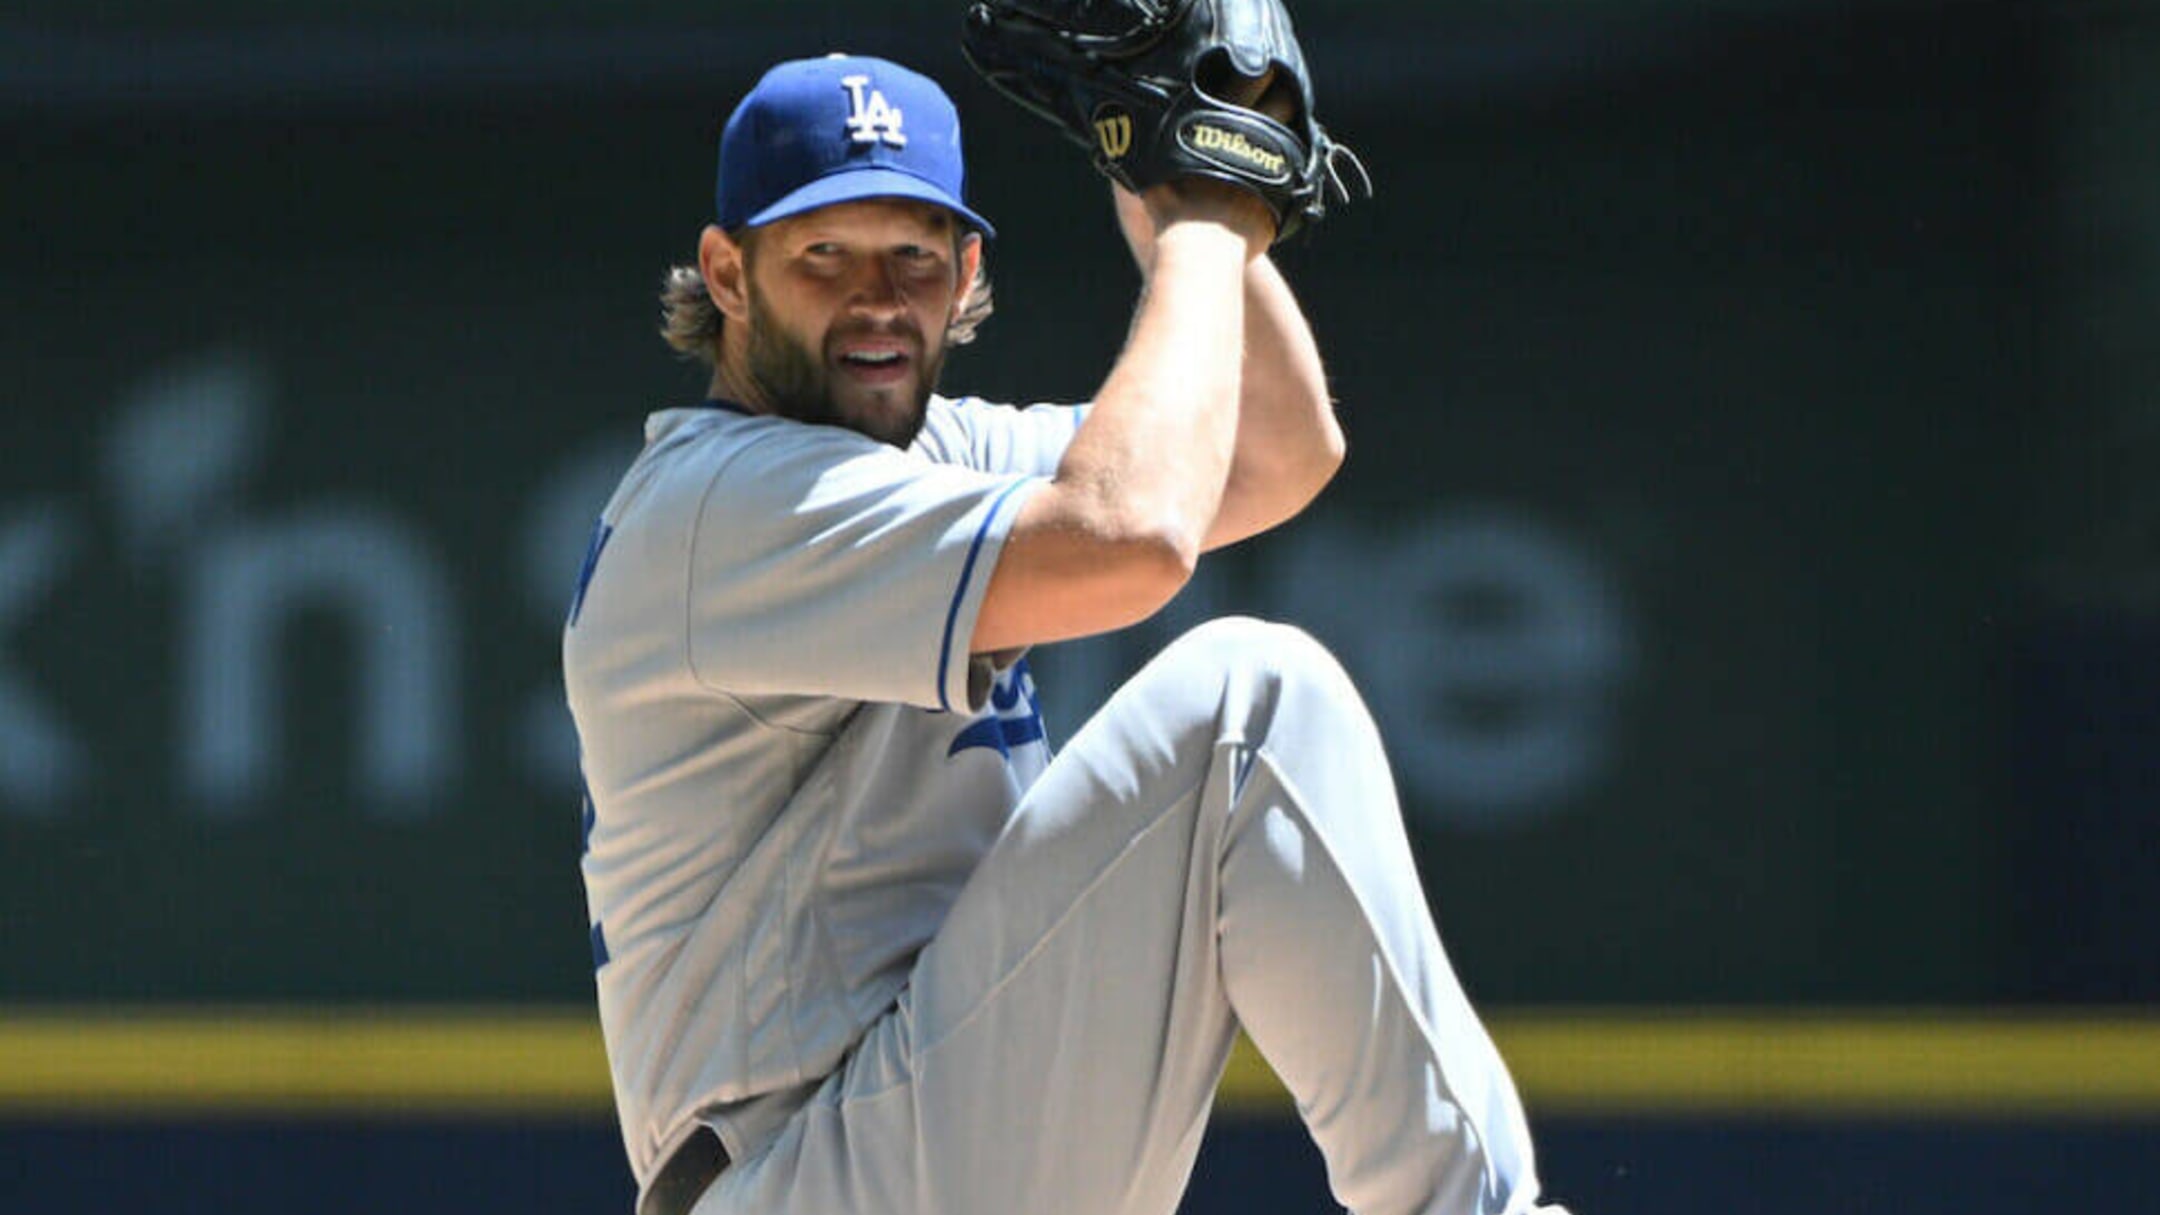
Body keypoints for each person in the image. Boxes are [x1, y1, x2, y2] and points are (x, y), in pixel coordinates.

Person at [564, 52, 1567, 1215]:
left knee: (1255, 707)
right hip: (804, 1170)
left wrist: (1160, 175)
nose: (877, 298)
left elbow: (1276, 455)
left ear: (968, 269)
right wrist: (1210, 215)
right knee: (1252, 710)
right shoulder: (712, 504)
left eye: (914, 256)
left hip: (916, 1130)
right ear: (729, 275)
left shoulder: (937, 452)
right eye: (824, 254)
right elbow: (1129, 536)